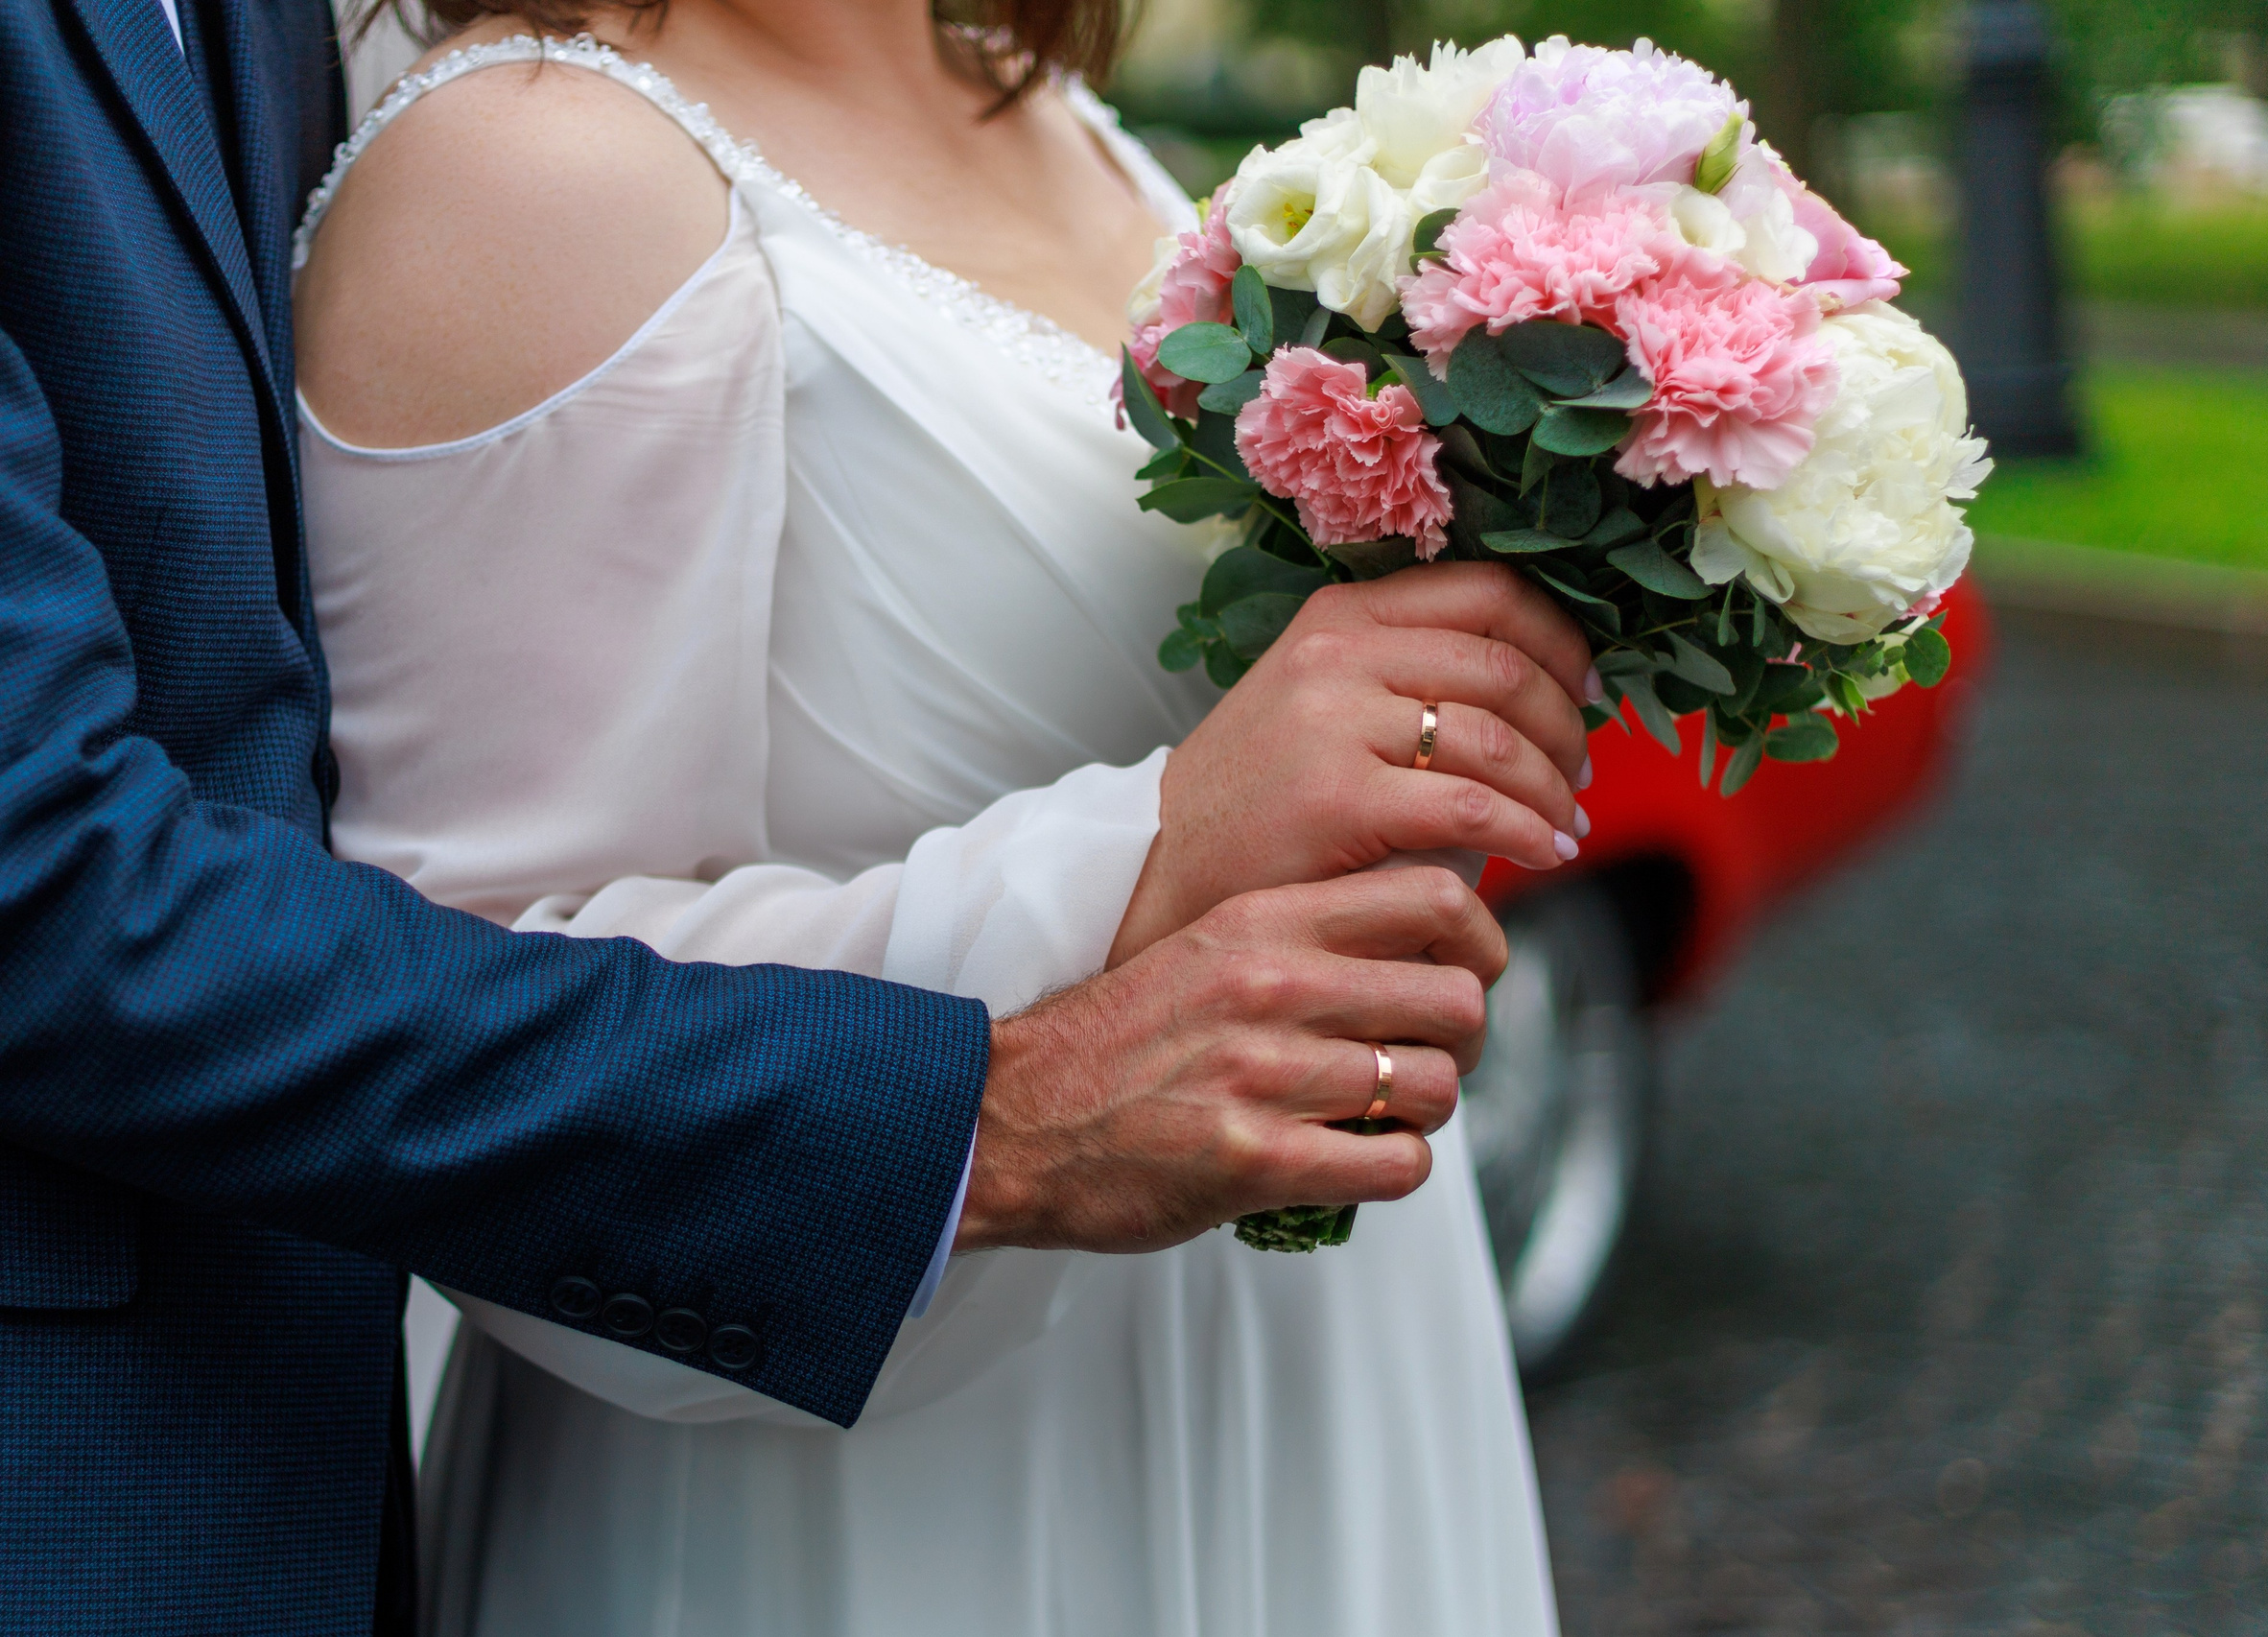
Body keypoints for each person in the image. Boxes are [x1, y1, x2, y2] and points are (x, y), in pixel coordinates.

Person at [0, 1, 1586, 1633]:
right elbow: (464, 953)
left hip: (1331, 1348)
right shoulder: (535, 166)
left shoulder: (1039, 101)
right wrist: (1157, 859)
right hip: (879, 1459)